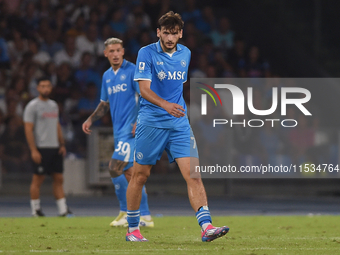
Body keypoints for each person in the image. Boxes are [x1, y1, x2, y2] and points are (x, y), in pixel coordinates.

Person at [125, 11, 229, 242]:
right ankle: (133, 229)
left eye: (174, 33)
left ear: (180, 34)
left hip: (179, 123)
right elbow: (143, 89)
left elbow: (175, 88)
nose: (170, 38)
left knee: (194, 175)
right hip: (152, 122)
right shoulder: (146, 53)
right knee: (140, 175)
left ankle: (206, 227)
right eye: (166, 33)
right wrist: (165, 105)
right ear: (158, 32)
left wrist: (173, 108)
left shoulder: (186, 53)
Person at [82, 38, 153, 227]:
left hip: (131, 132)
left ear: (123, 52)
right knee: (131, 174)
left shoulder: (132, 71)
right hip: (119, 131)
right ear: (105, 53)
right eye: (111, 51)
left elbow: (146, 96)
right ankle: (144, 215)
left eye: (118, 50)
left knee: (114, 168)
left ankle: (126, 212)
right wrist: (91, 119)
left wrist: (140, 121)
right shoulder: (106, 76)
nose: (115, 54)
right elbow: (104, 104)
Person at [23, 77, 73, 217]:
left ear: (51, 88)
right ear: (38, 88)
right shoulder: (32, 106)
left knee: (59, 178)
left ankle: (63, 210)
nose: (45, 88)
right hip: (41, 147)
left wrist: (61, 143)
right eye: (42, 86)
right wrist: (33, 150)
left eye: (48, 86)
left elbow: (56, 125)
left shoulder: (53, 105)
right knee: (38, 179)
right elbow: (28, 129)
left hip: (54, 147)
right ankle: (36, 210)